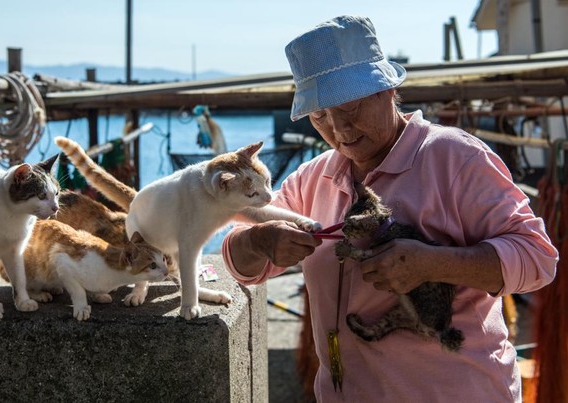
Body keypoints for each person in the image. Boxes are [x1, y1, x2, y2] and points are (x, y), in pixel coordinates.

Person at [222, 15, 558, 402]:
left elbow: (538, 259)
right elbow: (240, 265)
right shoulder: (313, 179)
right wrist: (260, 241)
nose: (339, 130)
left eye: (350, 109)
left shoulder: (455, 157)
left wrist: (431, 263)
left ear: (387, 89)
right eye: (320, 117)